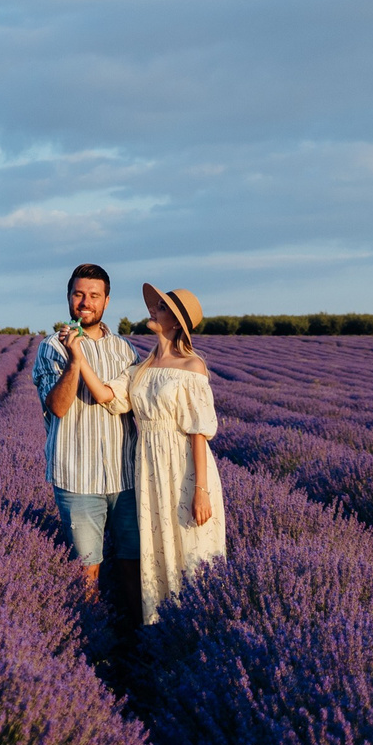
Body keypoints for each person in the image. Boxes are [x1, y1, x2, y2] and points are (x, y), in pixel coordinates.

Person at [90, 284, 225, 626]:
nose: (153, 311)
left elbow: (197, 431)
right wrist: (77, 357)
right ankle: (161, 632)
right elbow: (109, 397)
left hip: (183, 468)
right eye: (156, 306)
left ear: (176, 323)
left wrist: (202, 489)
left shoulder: (192, 366)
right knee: (157, 548)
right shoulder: (142, 366)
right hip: (149, 467)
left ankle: (197, 629)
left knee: (191, 548)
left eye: (161, 308)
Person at [34, 262, 138, 601]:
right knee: (86, 569)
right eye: (79, 294)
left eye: (94, 295)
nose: (85, 302)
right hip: (78, 475)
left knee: (133, 562)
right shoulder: (51, 347)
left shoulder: (124, 349)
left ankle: (132, 638)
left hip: (126, 476)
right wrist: (75, 359)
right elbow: (59, 407)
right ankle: (92, 637)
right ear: (68, 298)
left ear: (106, 301)